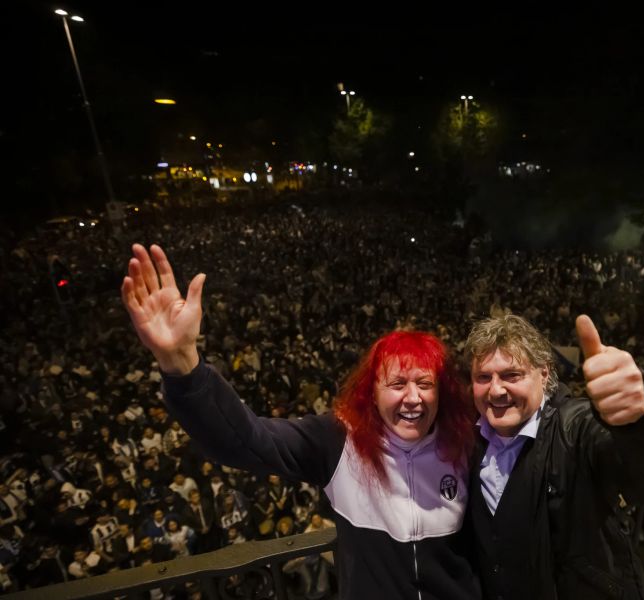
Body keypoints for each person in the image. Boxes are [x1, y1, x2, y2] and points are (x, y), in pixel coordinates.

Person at [120, 244, 479, 599]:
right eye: (397, 384)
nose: (413, 398)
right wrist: (182, 365)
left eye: (425, 384)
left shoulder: (464, 444)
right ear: (372, 393)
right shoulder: (339, 441)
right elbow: (244, 440)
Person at [463, 313, 644, 600]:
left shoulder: (577, 426)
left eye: (511, 375)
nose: (495, 389)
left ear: (543, 375)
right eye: (483, 377)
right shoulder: (469, 438)